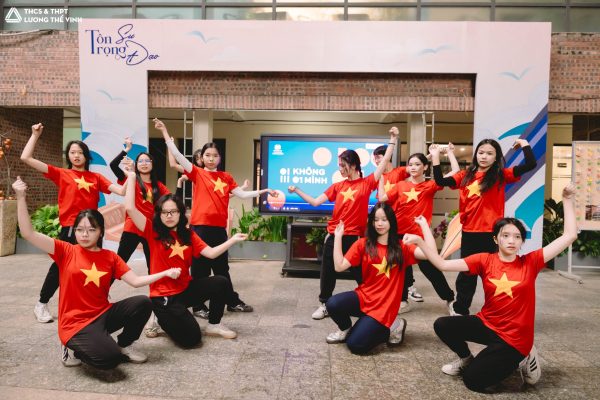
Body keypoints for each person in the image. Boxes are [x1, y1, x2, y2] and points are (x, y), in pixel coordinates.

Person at [403, 184, 577, 392]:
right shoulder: (484, 260)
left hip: (515, 338)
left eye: (517, 237)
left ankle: (525, 356)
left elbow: (569, 236)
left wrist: (567, 200)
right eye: (506, 235)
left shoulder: (531, 261)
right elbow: (442, 265)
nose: (511, 241)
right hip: (488, 324)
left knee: (473, 381)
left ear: (522, 241)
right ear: (495, 238)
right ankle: (466, 359)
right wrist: (420, 241)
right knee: (443, 324)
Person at [13, 177, 181, 369]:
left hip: (102, 315)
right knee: (109, 360)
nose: (84, 234)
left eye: (91, 229)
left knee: (143, 303)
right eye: (80, 230)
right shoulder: (65, 250)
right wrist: (20, 198)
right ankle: (71, 346)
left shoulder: (110, 257)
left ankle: (124, 344)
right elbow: (28, 233)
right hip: (75, 324)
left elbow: (135, 281)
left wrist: (165, 273)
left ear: (100, 232)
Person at [157, 118, 272, 315]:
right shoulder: (196, 173)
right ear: (202, 158)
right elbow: (177, 155)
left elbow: (242, 195)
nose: (211, 159)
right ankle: (199, 306)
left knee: (222, 269)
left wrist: (264, 191)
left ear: (220, 158)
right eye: (207, 155)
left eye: (215, 155)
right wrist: (165, 132)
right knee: (199, 270)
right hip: (199, 228)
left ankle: (232, 302)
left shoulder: (226, 177)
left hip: (218, 229)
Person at [124, 169, 248, 347]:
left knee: (221, 282)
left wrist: (232, 240)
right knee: (191, 340)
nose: (169, 216)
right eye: (164, 212)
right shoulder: (152, 231)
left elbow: (211, 253)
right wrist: (131, 177)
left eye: (173, 211)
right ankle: (161, 318)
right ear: (159, 214)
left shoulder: (188, 234)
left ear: (181, 213)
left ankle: (214, 324)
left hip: (184, 290)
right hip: (164, 296)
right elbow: (130, 208)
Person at [21, 123, 127, 323]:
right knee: (61, 266)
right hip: (71, 228)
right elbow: (26, 158)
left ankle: (95, 303)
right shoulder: (62, 174)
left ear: (86, 156)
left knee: (93, 267)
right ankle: (41, 303)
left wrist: (129, 174)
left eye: (80, 152)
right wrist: (34, 135)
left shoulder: (96, 177)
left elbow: (121, 191)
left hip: (93, 230)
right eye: (72, 152)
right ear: (68, 156)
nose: (76, 156)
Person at [289, 127, 399, 320]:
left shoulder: (367, 183)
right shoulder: (337, 186)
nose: (340, 169)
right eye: (339, 165)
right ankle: (324, 304)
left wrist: (393, 139)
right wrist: (297, 189)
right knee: (328, 272)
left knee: (361, 274)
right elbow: (315, 202)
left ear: (353, 165)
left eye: (343, 165)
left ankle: (372, 303)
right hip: (335, 236)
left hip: (356, 239)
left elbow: (384, 163)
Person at [430, 138, 536, 316]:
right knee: (467, 274)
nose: (484, 156)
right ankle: (460, 309)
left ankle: (497, 310)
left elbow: (531, 164)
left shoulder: (500, 175)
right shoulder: (465, 176)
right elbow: (440, 181)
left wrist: (524, 144)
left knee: (496, 274)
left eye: (489, 153)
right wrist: (435, 156)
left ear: (496, 158)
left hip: (492, 235)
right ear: (476, 155)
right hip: (470, 233)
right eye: (481, 152)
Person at [325, 202, 430, 354]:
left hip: (384, 308)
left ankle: (395, 326)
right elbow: (339, 266)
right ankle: (346, 329)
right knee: (332, 304)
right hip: (365, 297)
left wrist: (424, 229)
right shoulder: (362, 244)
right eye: (376, 219)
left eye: (384, 219)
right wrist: (338, 237)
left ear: (391, 221)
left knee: (356, 346)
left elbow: (431, 254)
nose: (379, 223)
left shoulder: (402, 247)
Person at [378, 152, 456, 314]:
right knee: (400, 268)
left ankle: (450, 299)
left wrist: (449, 153)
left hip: (419, 237)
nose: (413, 167)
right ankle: (402, 300)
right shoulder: (400, 185)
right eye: (411, 164)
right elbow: (382, 198)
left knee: (431, 269)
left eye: (417, 164)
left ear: (425, 167)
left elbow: (455, 172)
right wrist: (380, 179)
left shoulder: (431, 185)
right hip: (398, 235)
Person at [109, 137, 170, 271]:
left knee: (153, 267)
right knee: (119, 264)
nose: (144, 163)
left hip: (150, 229)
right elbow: (113, 165)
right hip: (132, 227)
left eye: (147, 161)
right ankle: (104, 285)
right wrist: (127, 149)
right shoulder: (131, 179)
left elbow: (171, 201)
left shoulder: (159, 186)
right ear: (136, 165)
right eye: (140, 161)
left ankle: (155, 286)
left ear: (152, 164)